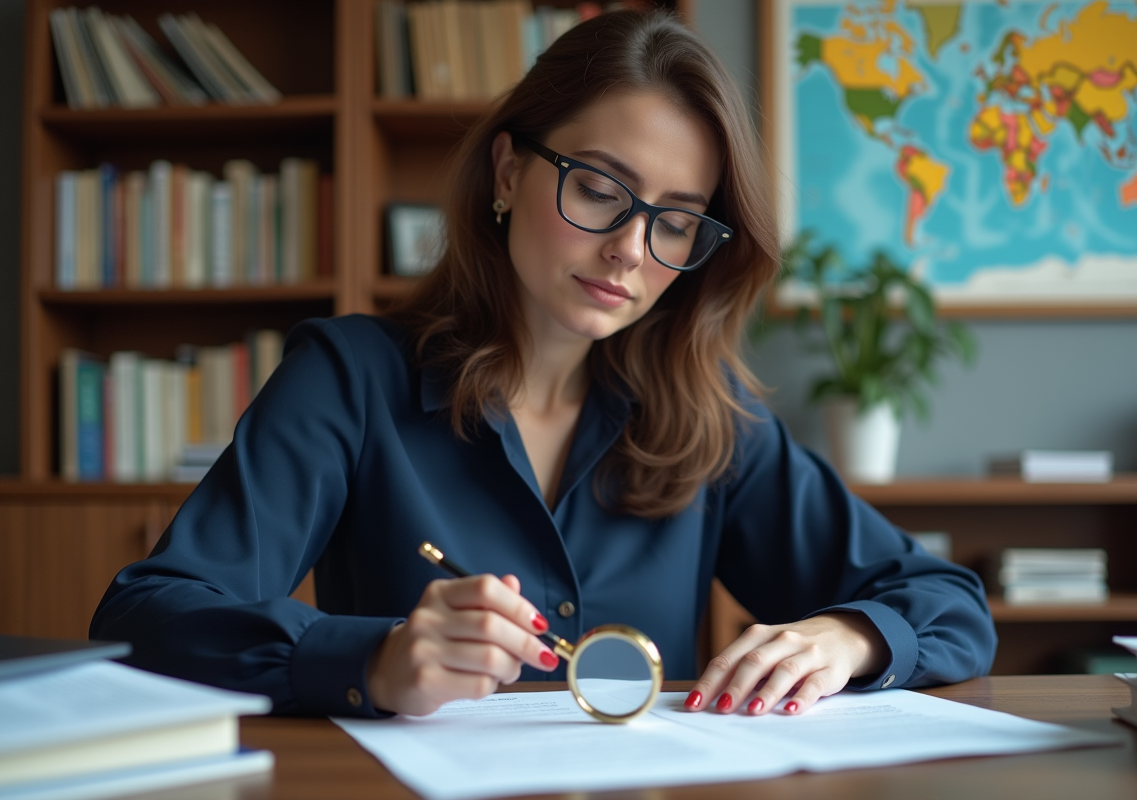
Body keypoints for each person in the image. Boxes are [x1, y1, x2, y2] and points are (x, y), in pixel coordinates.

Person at [91, 10, 996, 720]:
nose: (631, 251)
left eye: (676, 219)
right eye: (600, 189)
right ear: (506, 172)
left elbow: (948, 603)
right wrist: (370, 659)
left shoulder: (706, 417)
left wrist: (848, 638)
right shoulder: (350, 378)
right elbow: (147, 615)